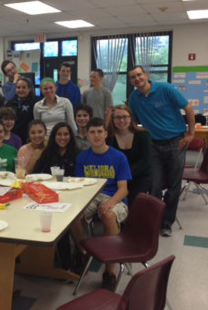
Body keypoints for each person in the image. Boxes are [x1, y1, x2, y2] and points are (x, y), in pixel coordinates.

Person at [128, 65, 195, 237]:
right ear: (131, 81)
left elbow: (188, 107)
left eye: (139, 75)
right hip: (153, 145)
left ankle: (166, 223)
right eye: (133, 77)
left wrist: (191, 134)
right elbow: (133, 122)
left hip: (176, 142)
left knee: (173, 186)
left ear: (146, 75)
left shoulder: (165, 89)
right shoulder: (134, 98)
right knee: (154, 186)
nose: (137, 79)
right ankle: (154, 220)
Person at [72, 117, 131, 292]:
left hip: (113, 196)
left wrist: (111, 203)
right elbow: (80, 185)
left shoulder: (119, 157)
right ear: (87, 135)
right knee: (72, 216)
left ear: (106, 134)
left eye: (99, 131)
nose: (96, 135)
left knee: (108, 215)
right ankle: (82, 253)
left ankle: (109, 271)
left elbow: (124, 189)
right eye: (92, 132)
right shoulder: (82, 157)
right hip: (90, 196)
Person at [107, 105, 151, 208]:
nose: (121, 120)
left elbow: (145, 162)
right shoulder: (109, 138)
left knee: (134, 205)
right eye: (117, 117)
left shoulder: (143, 135)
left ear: (131, 118)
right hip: (117, 179)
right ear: (112, 120)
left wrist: (124, 174)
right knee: (115, 205)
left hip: (139, 177)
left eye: (125, 117)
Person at [5, 77, 40, 143]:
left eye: (24, 87)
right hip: (13, 138)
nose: (21, 90)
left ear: (29, 89)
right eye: (18, 87)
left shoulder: (36, 102)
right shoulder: (10, 103)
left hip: (30, 138)